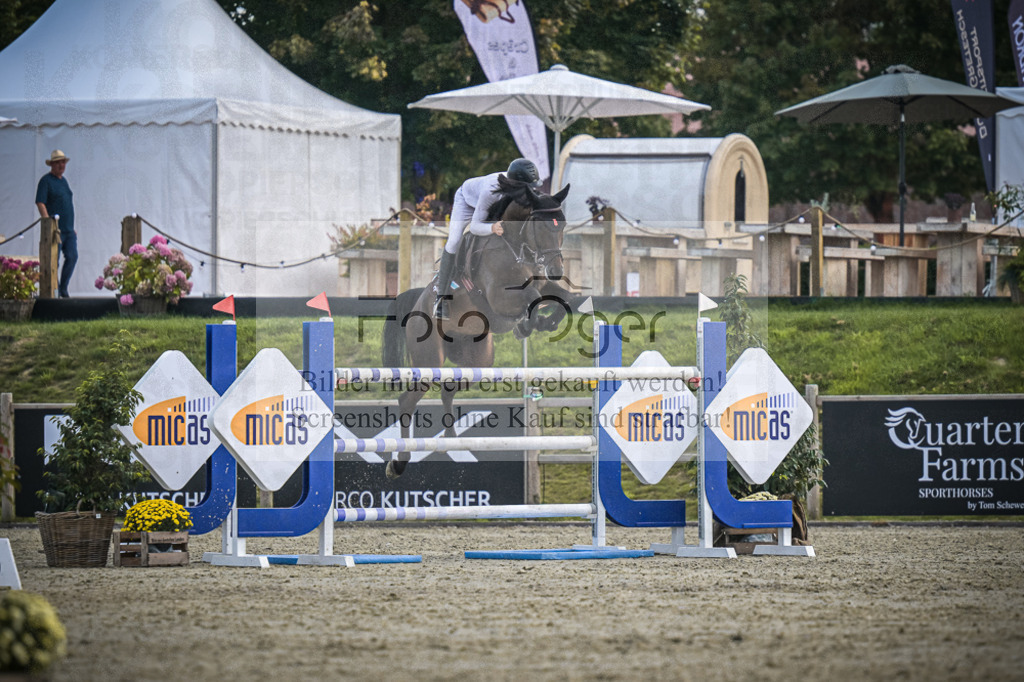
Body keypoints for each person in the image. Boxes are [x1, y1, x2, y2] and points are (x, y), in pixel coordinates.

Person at [434, 157, 541, 319]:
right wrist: (492, 227)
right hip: (467, 202)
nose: (530, 193)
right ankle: (441, 298)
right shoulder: (492, 190)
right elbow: (476, 226)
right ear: (516, 186)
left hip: (491, 205)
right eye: (527, 189)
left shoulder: (520, 190)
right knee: (454, 241)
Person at [35, 150, 76, 298]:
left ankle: (63, 288)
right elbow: (40, 202)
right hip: (55, 230)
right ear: (51, 164)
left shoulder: (64, 181)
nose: (61, 165)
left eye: (63, 162)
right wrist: (48, 223)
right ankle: (55, 290)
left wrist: (72, 227)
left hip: (69, 230)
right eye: (58, 162)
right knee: (54, 261)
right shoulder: (46, 181)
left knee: (72, 256)